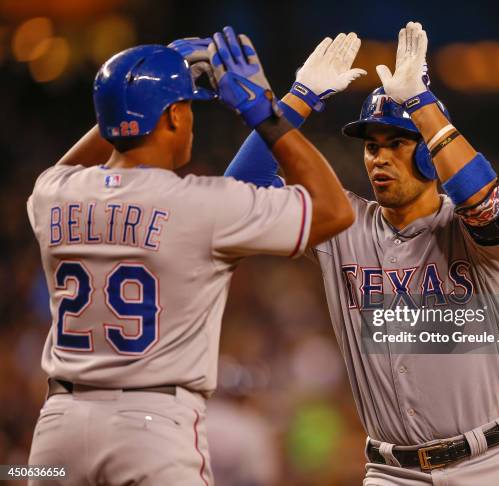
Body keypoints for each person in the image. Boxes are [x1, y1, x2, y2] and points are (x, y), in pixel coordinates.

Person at [184, 22, 499, 485]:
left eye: (396, 143)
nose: (378, 157)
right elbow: (238, 192)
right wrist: (297, 100)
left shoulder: (467, 227)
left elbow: (485, 205)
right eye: (372, 147)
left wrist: (422, 103)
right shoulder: (342, 222)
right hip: (392, 472)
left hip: (490, 464)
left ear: (430, 154)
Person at [26, 27, 354, 486]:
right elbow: (335, 210)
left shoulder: (52, 194)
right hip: (151, 428)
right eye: (185, 108)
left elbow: (75, 163)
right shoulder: (199, 203)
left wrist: (132, 95)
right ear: (176, 117)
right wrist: (267, 111)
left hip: (55, 430)